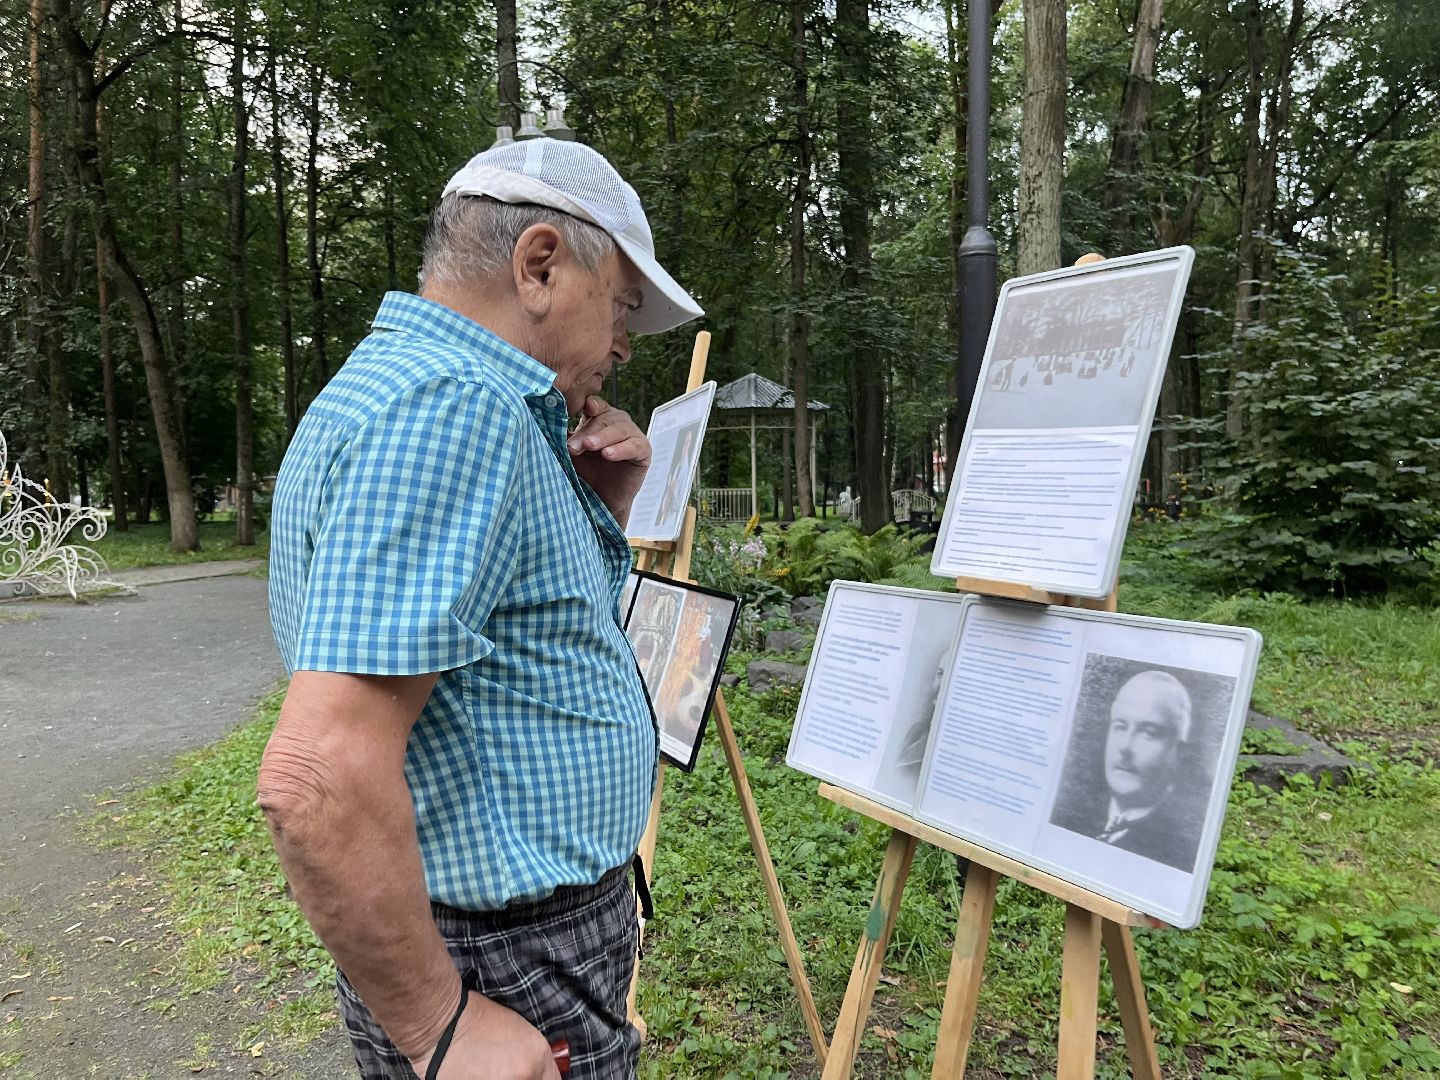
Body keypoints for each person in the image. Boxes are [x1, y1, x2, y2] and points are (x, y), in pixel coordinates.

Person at [259, 137, 703, 1080]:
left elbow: (497, 660)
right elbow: (316, 774)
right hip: (507, 961)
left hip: (502, 944)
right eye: (623, 304)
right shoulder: (456, 408)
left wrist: (596, 511)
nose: (625, 342)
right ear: (540, 264)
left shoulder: (402, 389)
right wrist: (440, 1026)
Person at [1095, 670, 1203, 872]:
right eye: (1120, 726)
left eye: (1149, 733)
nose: (1125, 747)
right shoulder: (1073, 814)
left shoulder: (1179, 850)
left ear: (1178, 751)